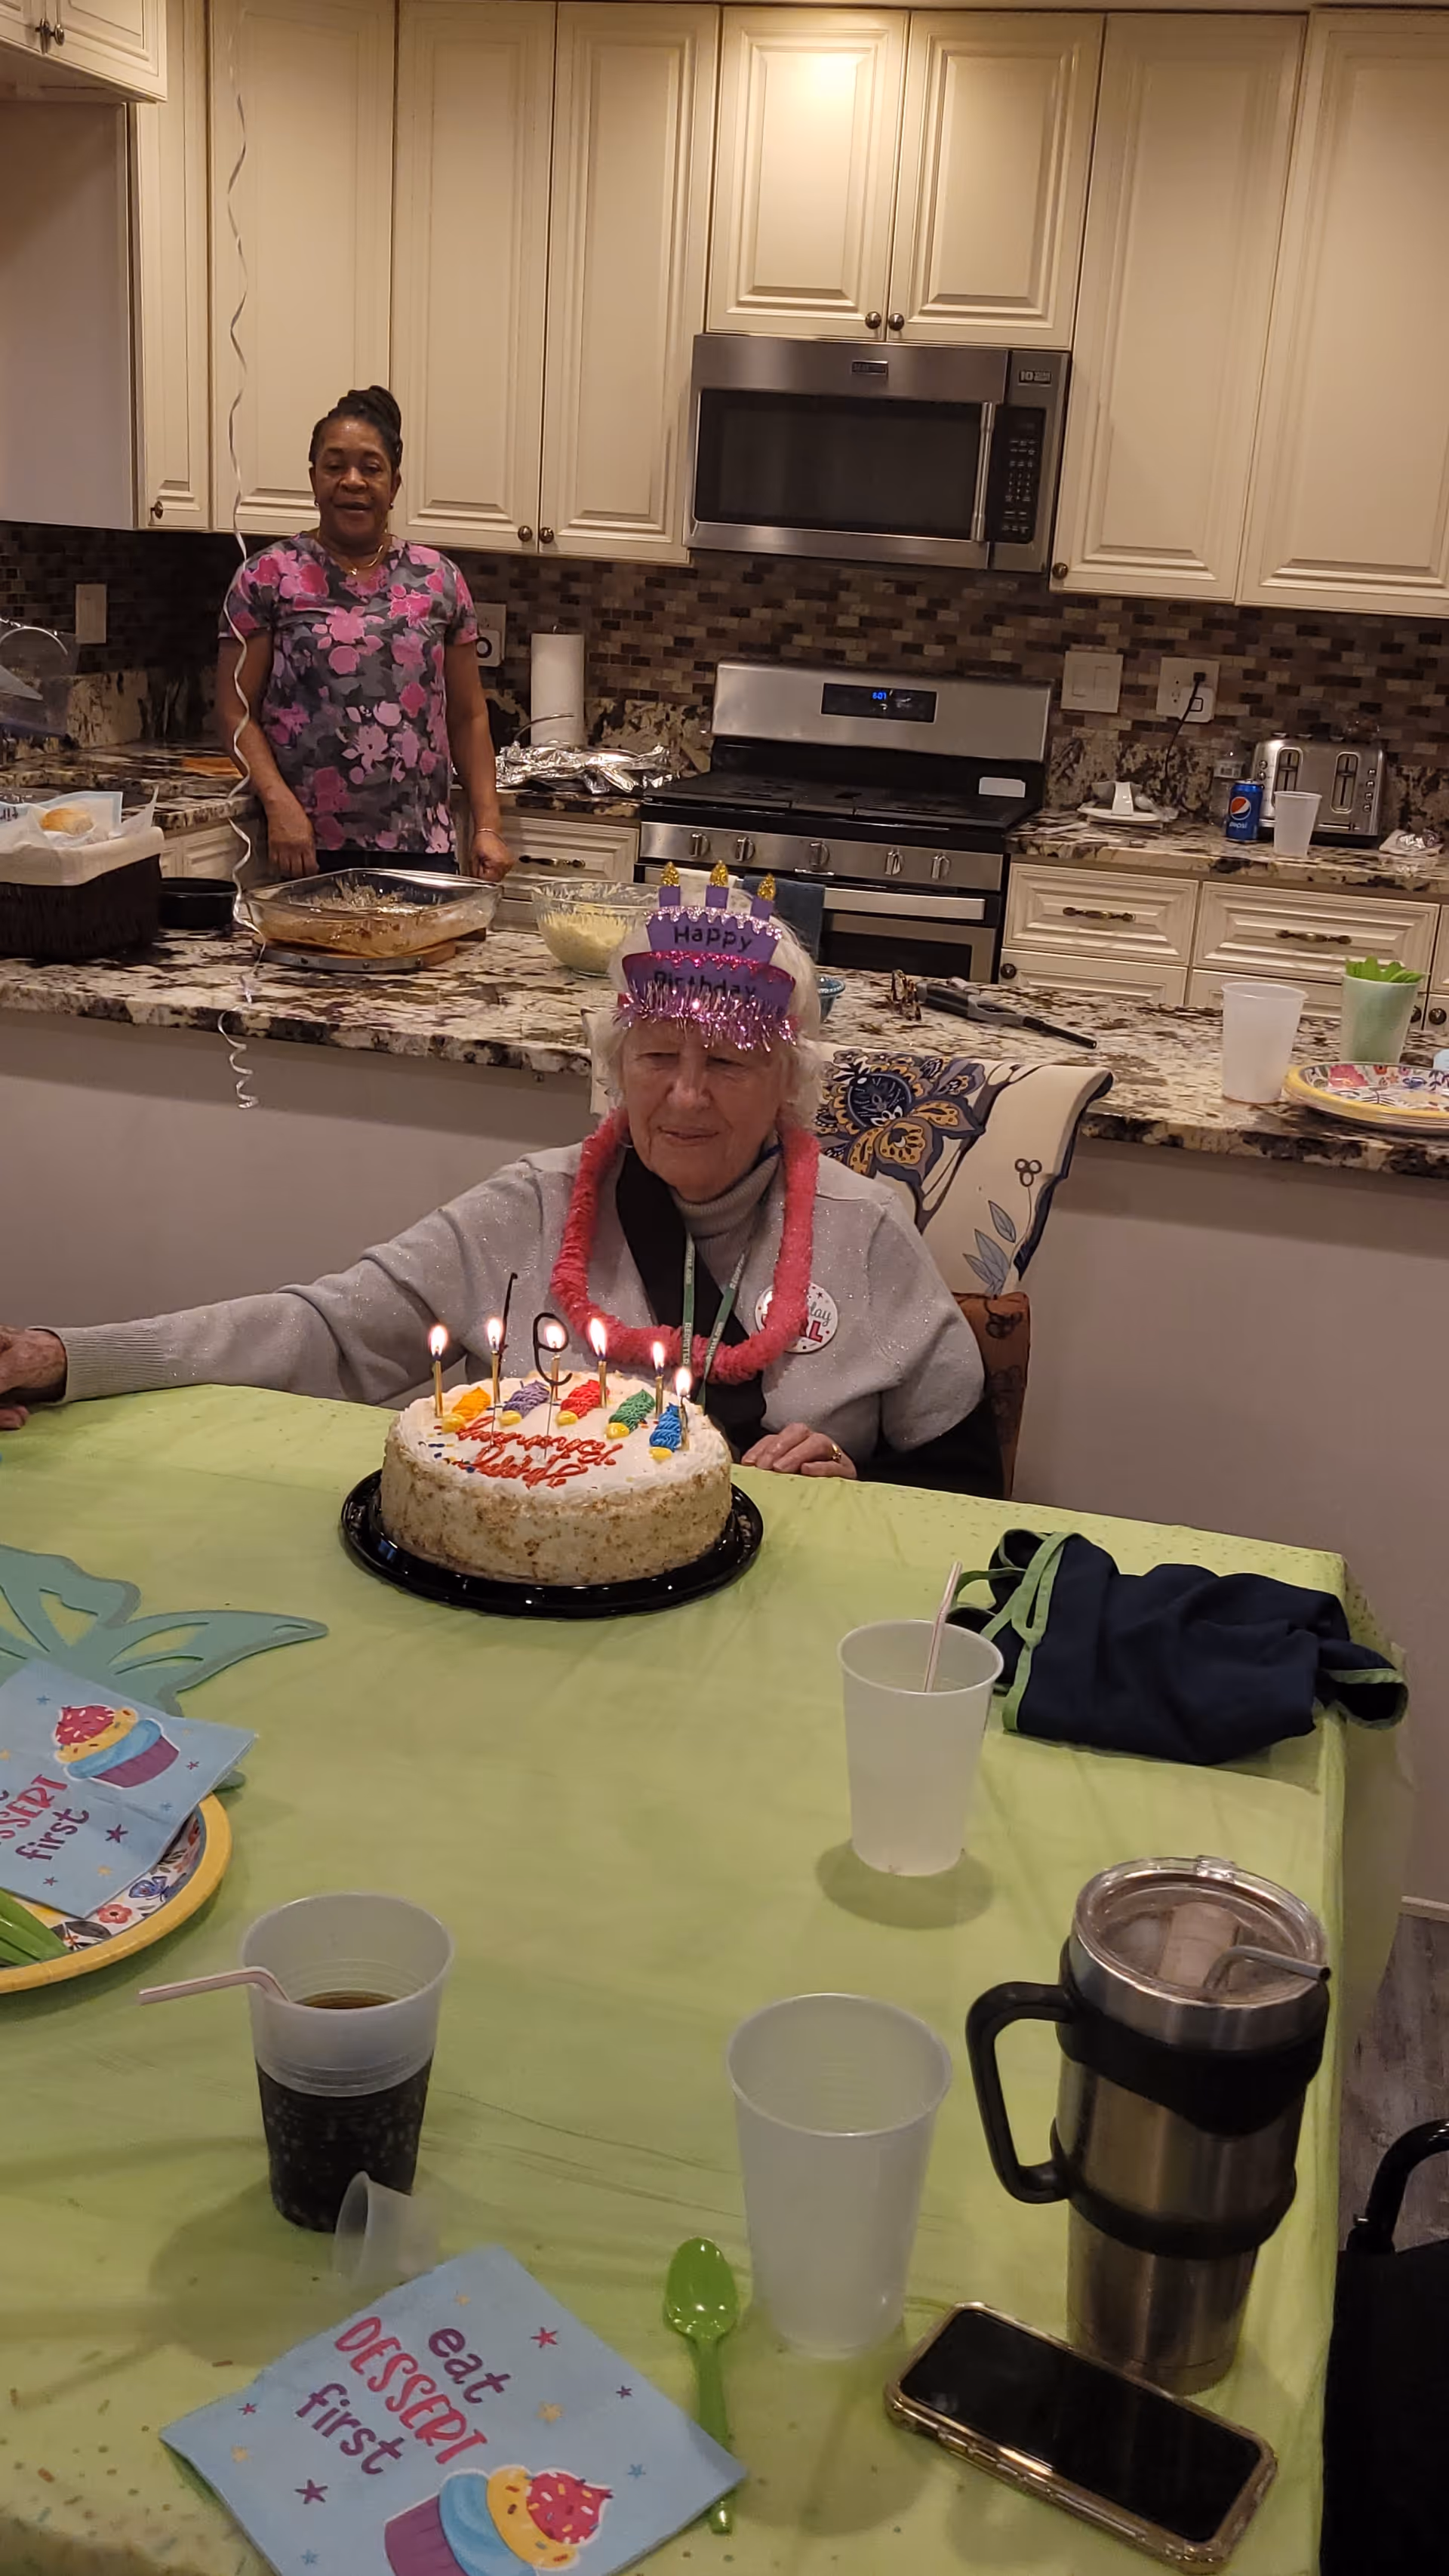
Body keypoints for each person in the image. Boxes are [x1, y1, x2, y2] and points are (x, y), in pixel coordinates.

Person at [0, 873, 997, 1491]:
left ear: (790, 1079)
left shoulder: (867, 1237)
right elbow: (322, 1330)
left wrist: (856, 1485)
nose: (687, 1098)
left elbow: (964, 1486)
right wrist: (68, 1354)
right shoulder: (525, 1209)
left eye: (729, 1064)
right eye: (657, 1058)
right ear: (615, 1061)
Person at [216, 385, 512, 882]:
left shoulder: (439, 579)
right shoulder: (266, 576)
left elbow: (468, 716)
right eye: (335, 466)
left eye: (370, 468)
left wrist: (489, 826)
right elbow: (233, 709)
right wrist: (277, 803)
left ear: (394, 485)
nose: (352, 481)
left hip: (421, 846)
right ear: (313, 479)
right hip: (303, 846)